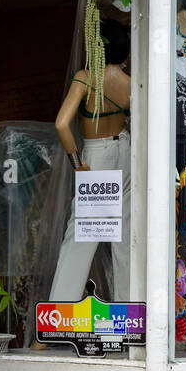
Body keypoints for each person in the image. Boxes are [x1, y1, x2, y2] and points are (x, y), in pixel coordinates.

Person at [48, 18, 132, 302]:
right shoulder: (131, 84)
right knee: (126, 240)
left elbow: (62, 124)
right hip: (127, 153)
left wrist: (77, 164)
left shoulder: (86, 77)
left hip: (97, 157)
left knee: (82, 238)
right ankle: (128, 324)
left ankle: (55, 323)